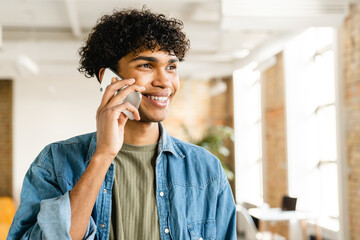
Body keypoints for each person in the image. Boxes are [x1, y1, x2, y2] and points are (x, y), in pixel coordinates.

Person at [7, 8, 236, 240]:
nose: (164, 81)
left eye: (171, 67)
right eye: (146, 65)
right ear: (109, 78)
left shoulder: (206, 170)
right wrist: (103, 155)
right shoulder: (55, 162)